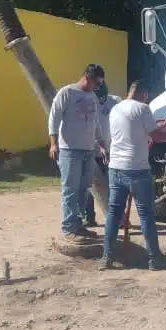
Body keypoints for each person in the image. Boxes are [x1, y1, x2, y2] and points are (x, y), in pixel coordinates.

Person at [101, 82, 166, 271]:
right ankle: (154, 260)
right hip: (137, 169)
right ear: (144, 94)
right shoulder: (142, 109)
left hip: (115, 168)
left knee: (114, 214)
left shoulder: (115, 108)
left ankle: (106, 257)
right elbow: (156, 137)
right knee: (146, 216)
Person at [48, 64, 108, 242]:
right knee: (70, 189)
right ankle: (69, 227)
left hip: (88, 149)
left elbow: (96, 122)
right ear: (87, 78)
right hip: (69, 149)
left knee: (84, 189)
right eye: (97, 83)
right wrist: (53, 143)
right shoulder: (67, 93)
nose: (98, 87)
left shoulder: (92, 97)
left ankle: (79, 224)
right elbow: (54, 117)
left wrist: (101, 143)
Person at [84, 79, 118, 228]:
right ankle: (88, 217)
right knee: (89, 187)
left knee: (112, 186)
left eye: (103, 96)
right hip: (91, 150)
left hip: (111, 151)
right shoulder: (88, 102)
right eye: (98, 96)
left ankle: (115, 217)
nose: (100, 99)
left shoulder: (115, 102)